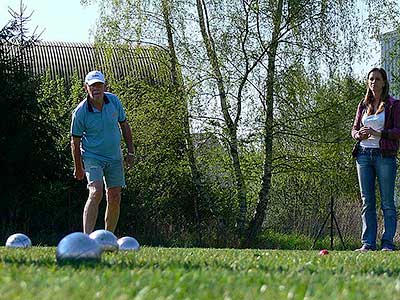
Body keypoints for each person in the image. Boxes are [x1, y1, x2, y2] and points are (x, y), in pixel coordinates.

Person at [70, 70, 135, 234]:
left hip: (114, 157)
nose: (96, 89)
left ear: (104, 86)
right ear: (86, 88)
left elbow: (124, 125)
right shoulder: (80, 112)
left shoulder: (114, 101)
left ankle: (108, 238)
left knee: (114, 196)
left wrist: (131, 151)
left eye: (99, 85)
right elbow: (75, 141)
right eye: (92, 86)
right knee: (96, 191)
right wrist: (78, 166)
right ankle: (86, 238)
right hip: (93, 157)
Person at [352, 67, 400, 252]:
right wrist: (359, 136)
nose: (373, 82)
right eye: (371, 79)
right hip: (363, 155)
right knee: (367, 201)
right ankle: (368, 243)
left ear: (384, 82)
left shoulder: (394, 104)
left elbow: (397, 132)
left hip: (384, 156)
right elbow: (354, 129)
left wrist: (377, 133)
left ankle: (387, 243)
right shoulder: (363, 105)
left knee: (387, 202)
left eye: (377, 79)